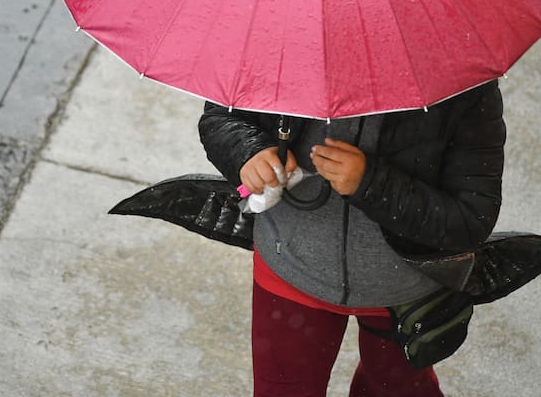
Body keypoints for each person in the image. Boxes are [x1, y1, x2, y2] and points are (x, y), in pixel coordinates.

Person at [198, 80, 505, 397]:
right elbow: (220, 118)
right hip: (290, 268)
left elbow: (470, 218)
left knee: (395, 388)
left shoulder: (460, 84)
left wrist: (371, 183)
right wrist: (249, 152)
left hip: (404, 290)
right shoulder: (281, 46)